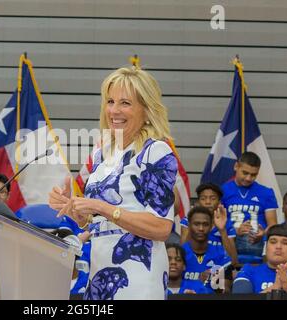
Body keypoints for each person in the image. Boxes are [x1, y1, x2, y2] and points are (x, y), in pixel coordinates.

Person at [49, 66, 178, 299]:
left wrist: (101, 207)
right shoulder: (102, 153)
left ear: (147, 110)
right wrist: (74, 208)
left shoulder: (156, 152)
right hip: (99, 272)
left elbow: (161, 228)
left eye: (125, 103)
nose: (114, 110)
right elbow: (95, 223)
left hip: (138, 277)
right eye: (110, 101)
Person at [221, 152, 278, 264]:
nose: (248, 178)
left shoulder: (266, 192)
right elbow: (217, 222)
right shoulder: (222, 191)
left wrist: (263, 233)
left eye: (253, 175)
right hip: (230, 241)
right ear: (236, 166)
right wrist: (235, 230)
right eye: (245, 173)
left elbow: (273, 225)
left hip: (256, 243)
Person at [180, 183, 238, 266]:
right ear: (198, 202)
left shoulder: (227, 223)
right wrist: (192, 224)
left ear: (219, 202)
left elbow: (233, 261)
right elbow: (183, 253)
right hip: (193, 266)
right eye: (203, 199)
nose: (207, 202)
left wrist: (222, 230)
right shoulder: (187, 221)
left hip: (218, 267)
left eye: (212, 198)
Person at [182, 206, 232, 293]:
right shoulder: (179, 254)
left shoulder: (221, 254)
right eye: (196, 224)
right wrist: (198, 283)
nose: (201, 228)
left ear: (211, 226)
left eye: (205, 224)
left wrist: (216, 283)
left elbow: (226, 291)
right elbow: (172, 286)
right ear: (189, 226)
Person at [233, 224, 287, 293]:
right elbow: (240, 298)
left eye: (285, 243)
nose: (278, 246)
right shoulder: (248, 270)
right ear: (266, 247)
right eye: (273, 242)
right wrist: (275, 287)